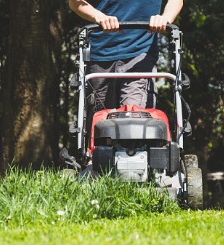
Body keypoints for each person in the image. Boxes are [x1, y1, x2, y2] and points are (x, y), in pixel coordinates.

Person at [69, 0, 183, 148]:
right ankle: (98, 165)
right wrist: (99, 16)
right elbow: (75, 2)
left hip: (140, 51)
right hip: (100, 53)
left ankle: (136, 165)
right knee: (101, 122)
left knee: (135, 117)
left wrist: (165, 18)